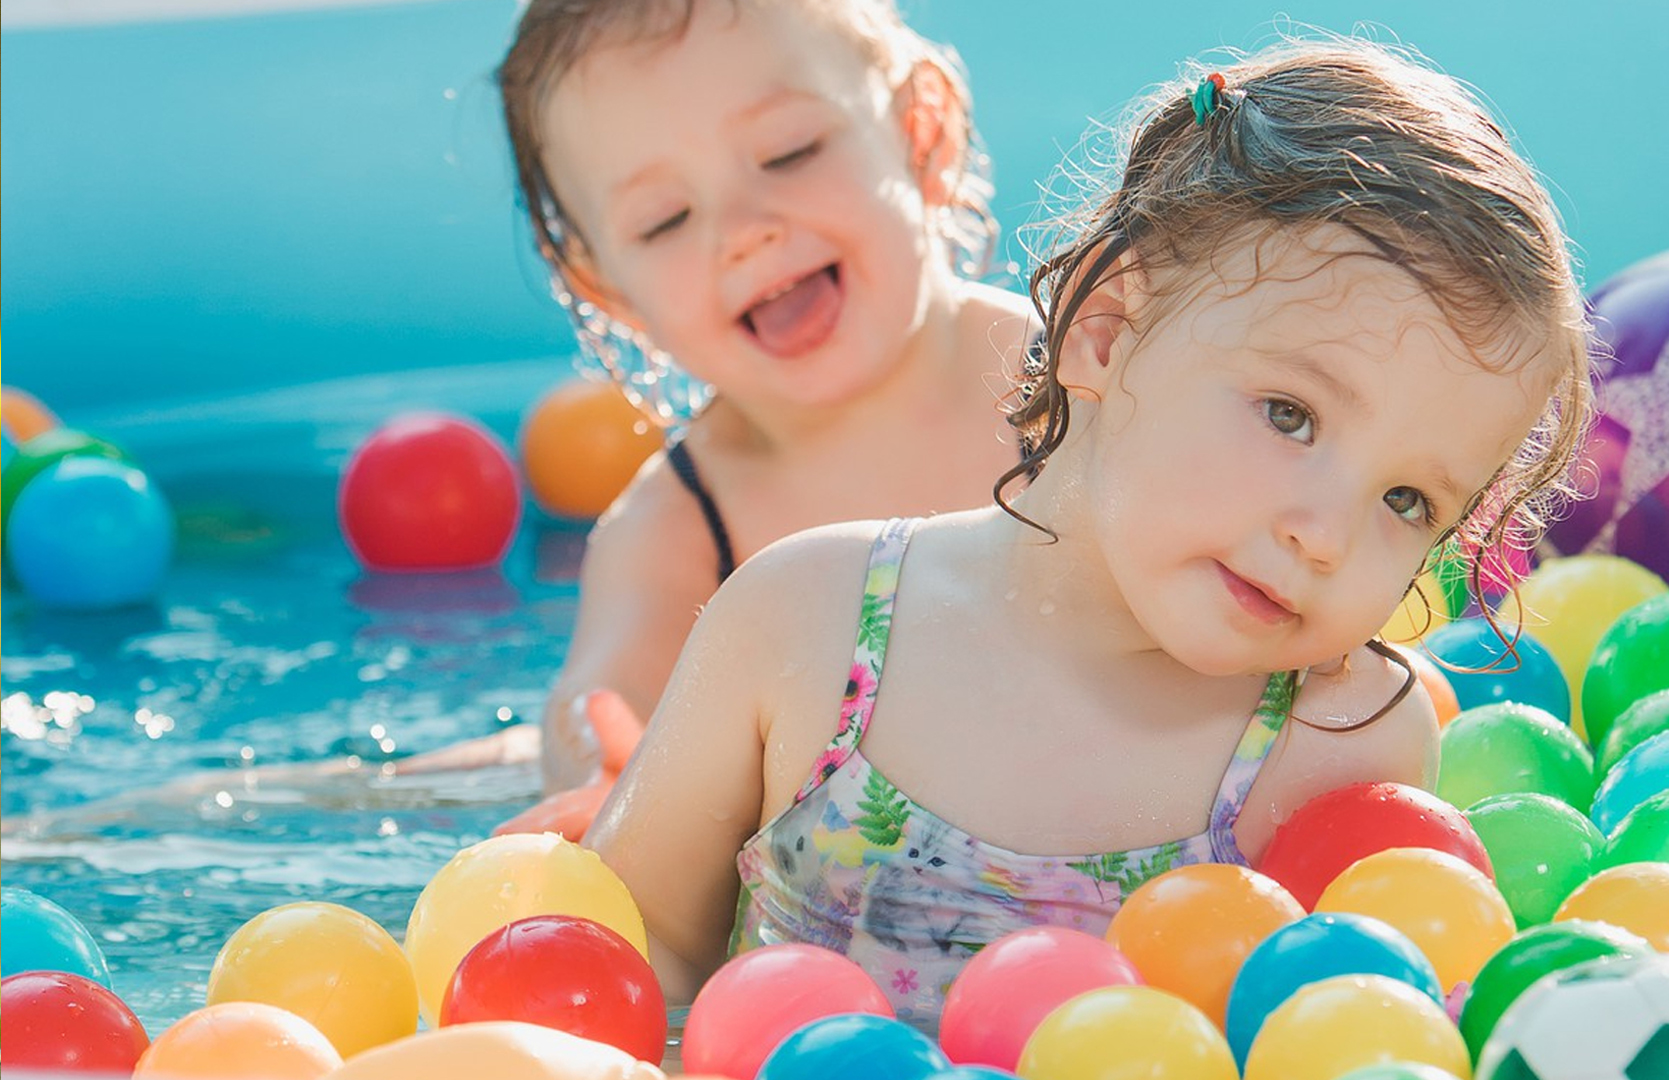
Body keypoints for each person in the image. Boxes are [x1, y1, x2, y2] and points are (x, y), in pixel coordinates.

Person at [583, 37, 1596, 1030]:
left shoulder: (1341, 742)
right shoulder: (805, 623)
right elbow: (629, 963)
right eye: (1291, 415)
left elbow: (1344, 1037)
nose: (1326, 538)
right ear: (1103, 329)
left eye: (1408, 501)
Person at [476, 0, 1041, 837]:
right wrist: (603, 765)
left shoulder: (1083, 377)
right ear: (610, 289)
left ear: (921, 133)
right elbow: (603, 700)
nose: (743, 231)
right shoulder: (681, 529)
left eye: (790, 152)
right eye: (666, 219)